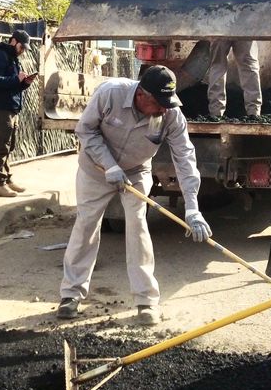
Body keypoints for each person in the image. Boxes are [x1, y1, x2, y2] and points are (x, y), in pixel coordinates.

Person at [57, 65, 211, 325]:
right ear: (142, 95)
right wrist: (110, 166)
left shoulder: (171, 114)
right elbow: (85, 130)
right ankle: (71, 294)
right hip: (95, 169)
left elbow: (184, 157)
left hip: (137, 171)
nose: (164, 109)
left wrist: (192, 208)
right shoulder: (111, 94)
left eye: (168, 103)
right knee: (86, 225)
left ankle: (146, 300)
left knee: (138, 225)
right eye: (159, 103)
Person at [194, 0, 266, 121]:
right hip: (243, 21)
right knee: (248, 64)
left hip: (218, 26)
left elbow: (196, 12)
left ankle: (215, 113)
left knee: (217, 66)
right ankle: (254, 112)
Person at [0, 28, 36, 197]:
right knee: (2, 145)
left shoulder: (12, 58)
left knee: (9, 145)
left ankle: (7, 179)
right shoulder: (0, 55)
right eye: (22, 47)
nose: (22, 52)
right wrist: (17, 79)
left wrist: (24, 83)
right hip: (2, 107)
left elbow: (13, 84)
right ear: (13, 41)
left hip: (12, 106)